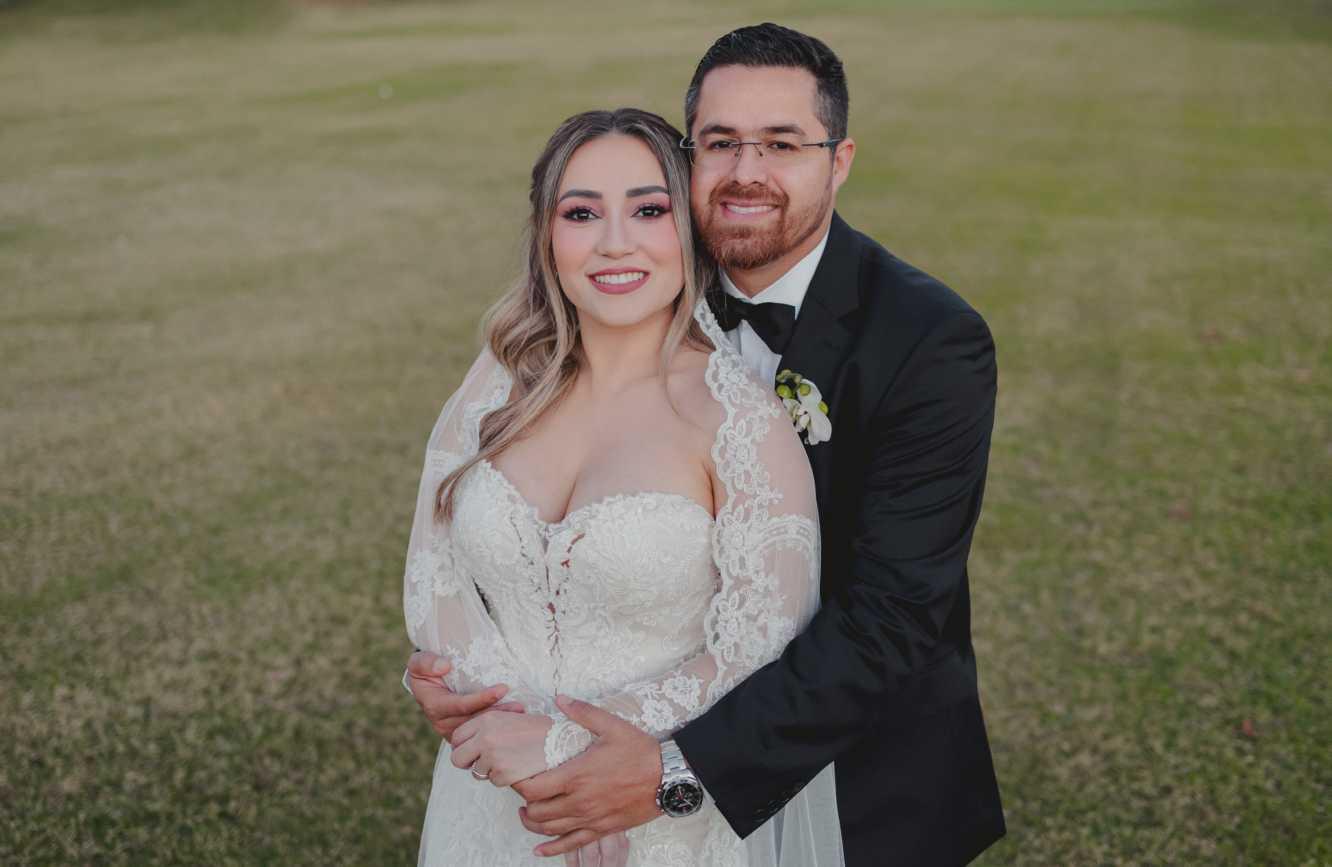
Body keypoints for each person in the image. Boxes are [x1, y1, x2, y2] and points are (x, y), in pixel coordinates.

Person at [408, 24, 1007, 866]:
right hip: (533, 786)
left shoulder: (927, 341)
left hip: (854, 769)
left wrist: (651, 771)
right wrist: (466, 682)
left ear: (838, 160)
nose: (746, 171)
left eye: (782, 144)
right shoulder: (617, 293)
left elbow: (888, 620)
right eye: (721, 142)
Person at [402, 106, 844, 866]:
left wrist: (575, 757)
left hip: (658, 808)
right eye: (581, 213)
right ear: (546, 235)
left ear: (691, 229)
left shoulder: (740, 421)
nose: (614, 242)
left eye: (648, 210)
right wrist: (514, 747)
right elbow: (433, 576)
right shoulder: (501, 384)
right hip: (492, 791)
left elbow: (760, 643)